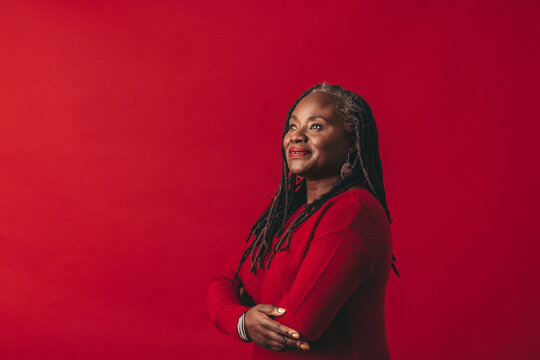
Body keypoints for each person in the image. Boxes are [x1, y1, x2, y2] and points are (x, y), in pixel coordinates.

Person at [206, 82, 398, 359]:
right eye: (293, 126)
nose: (297, 136)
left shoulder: (354, 211)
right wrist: (242, 321)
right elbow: (222, 280)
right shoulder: (285, 213)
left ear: (353, 140)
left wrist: (243, 313)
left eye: (316, 126)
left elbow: (296, 325)